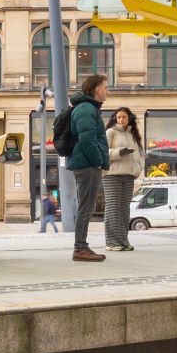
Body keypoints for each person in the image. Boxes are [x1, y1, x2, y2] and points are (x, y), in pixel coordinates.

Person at [64, 73, 110, 261]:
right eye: (106, 87)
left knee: (87, 206)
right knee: (86, 207)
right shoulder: (85, 109)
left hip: (86, 162)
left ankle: (82, 246)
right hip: (86, 164)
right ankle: (79, 248)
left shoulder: (88, 108)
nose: (108, 91)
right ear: (97, 89)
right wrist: (98, 160)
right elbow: (87, 139)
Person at [103, 107, 143, 252]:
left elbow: (140, 155)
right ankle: (112, 242)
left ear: (129, 118)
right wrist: (119, 152)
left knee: (124, 209)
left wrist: (138, 168)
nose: (121, 120)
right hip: (112, 175)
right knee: (113, 208)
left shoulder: (133, 135)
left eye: (123, 117)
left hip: (129, 175)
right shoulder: (110, 132)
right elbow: (102, 151)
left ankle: (123, 240)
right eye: (118, 117)